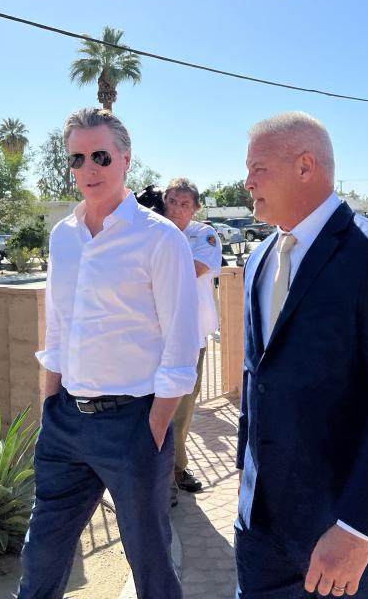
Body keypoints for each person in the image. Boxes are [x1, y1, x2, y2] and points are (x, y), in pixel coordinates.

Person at [236, 112, 368, 599]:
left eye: (257, 168)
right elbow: (258, 381)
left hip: (349, 542)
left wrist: (355, 529)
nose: (246, 183)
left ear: (305, 166)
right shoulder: (261, 257)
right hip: (263, 532)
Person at [17, 108, 199, 599]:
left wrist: (154, 429)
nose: (88, 168)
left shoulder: (160, 238)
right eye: (77, 158)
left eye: (100, 155)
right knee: (42, 554)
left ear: (125, 158)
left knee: (151, 563)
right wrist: (50, 408)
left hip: (133, 425)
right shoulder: (63, 237)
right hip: (65, 425)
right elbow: (56, 330)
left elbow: (182, 347)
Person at [162, 178, 222, 505]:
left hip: (192, 335)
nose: (178, 209)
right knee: (158, 407)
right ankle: (167, 476)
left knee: (182, 409)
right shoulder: (156, 231)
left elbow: (196, 268)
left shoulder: (204, 234)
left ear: (195, 208)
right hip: (157, 335)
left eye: (186, 204)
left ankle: (175, 470)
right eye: (173, 202)